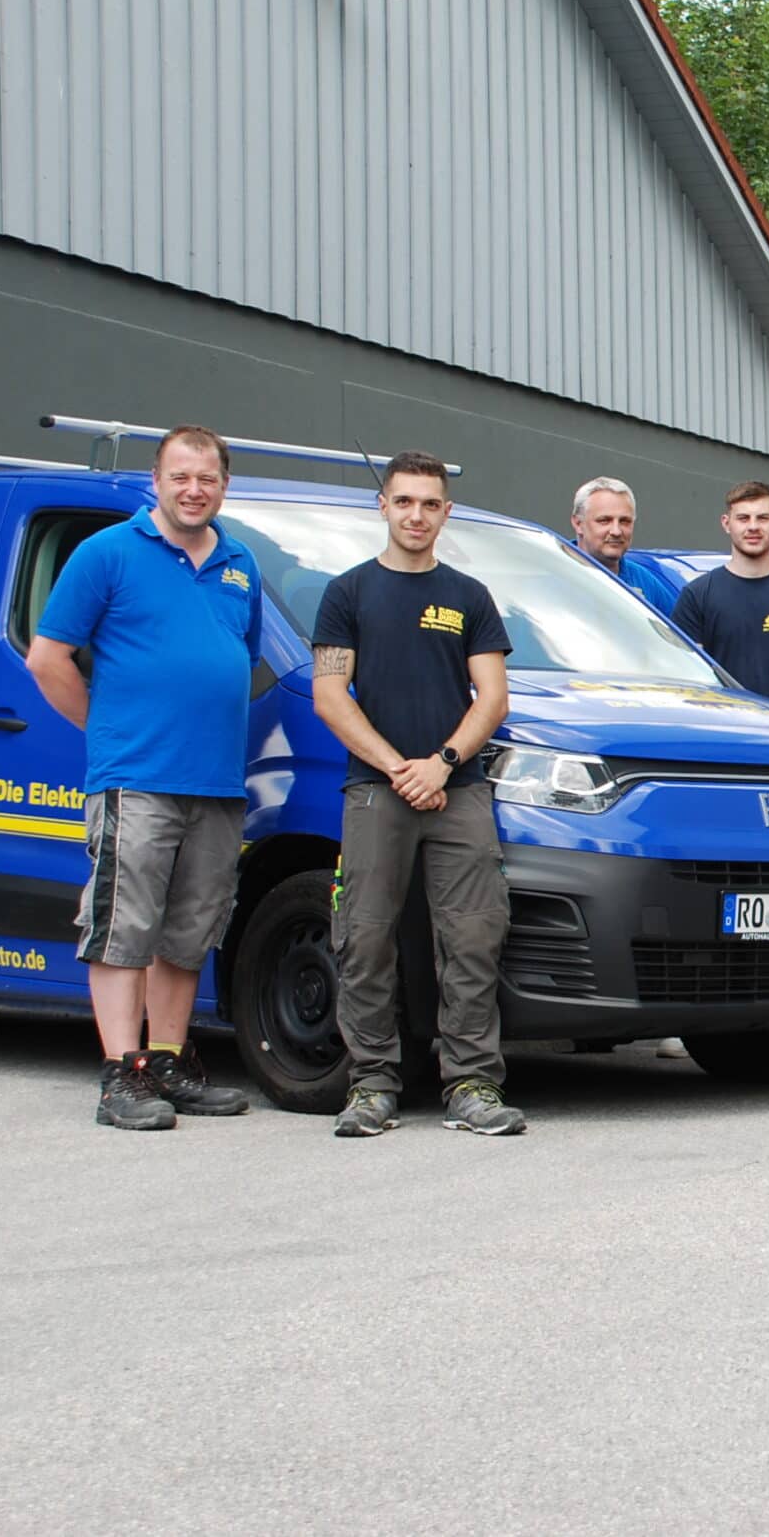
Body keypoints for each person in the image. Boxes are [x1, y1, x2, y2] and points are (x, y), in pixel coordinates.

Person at [27, 425, 260, 1130]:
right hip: (137, 778)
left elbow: (239, 659)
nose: (195, 490)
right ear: (155, 481)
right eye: (181, 476)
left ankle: (167, 1060)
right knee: (123, 927)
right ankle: (119, 1075)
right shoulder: (107, 554)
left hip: (215, 782)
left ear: (224, 484)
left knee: (189, 932)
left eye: (208, 478)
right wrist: (106, 731)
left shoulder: (240, 561)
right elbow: (47, 659)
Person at [311, 450, 523, 1136]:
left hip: (459, 792)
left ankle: (471, 1085)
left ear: (445, 512)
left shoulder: (469, 595)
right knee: (364, 937)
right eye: (404, 501)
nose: (416, 515)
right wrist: (400, 767)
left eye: (430, 504)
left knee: (473, 938)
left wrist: (443, 762)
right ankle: (371, 1084)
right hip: (376, 792)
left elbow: (493, 697)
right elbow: (327, 695)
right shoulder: (346, 594)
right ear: (384, 506)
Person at [669, 480, 769, 702]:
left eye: (763, 518)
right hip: (727, 729)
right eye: (743, 518)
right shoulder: (697, 595)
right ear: (726, 523)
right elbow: (686, 677)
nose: (753, 526)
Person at [567, 475, 671, 604]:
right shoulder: (554, 576)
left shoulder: (645, 582)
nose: (616, 531)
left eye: (624, 521)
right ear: (578, 524)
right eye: (604, 521)